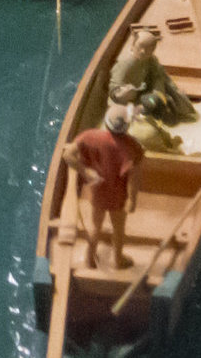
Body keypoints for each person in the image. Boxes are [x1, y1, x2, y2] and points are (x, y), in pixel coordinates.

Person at [59, 103, 144, 270]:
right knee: (118, 229)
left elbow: (67, 155)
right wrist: (131, 200)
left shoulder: (89, 137)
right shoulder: (133, 147)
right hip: (118, 197)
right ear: (127, 126)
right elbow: (133, 179)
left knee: (95, 227)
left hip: (98, 192)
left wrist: (85, 171)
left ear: (106, 122)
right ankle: (118, 260)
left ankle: (89, 259)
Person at [110, 26, 198, 126]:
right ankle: (146, 111)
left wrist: (158, 92)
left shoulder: (151, 59)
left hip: (145, 91)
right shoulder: (124, 64)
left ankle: (161, 107)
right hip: (128, 99)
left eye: (149, 49)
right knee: (148, 104)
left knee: (161, 98)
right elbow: (115, 89)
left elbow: (159, 75)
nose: (143, 52)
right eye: (140, 47)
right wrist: (124, 93)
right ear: (133, 46)